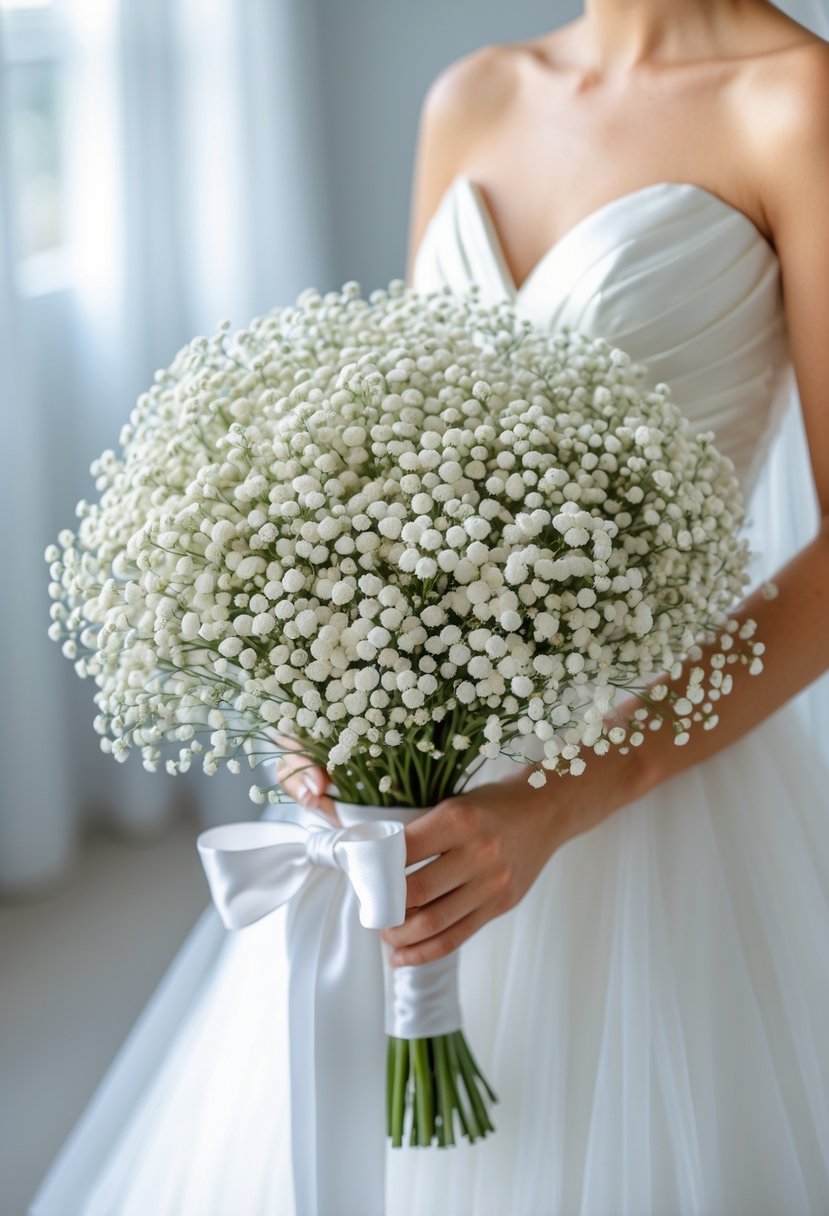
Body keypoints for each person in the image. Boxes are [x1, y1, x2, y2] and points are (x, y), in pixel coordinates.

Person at [32, 1, 829, 1212]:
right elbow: (391, 460)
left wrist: (560, 802)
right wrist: (317, 708)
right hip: (420, 768)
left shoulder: (794, 101)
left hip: (656, 781)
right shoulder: (473, 98)